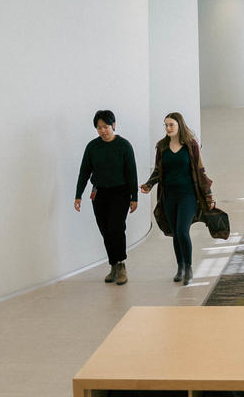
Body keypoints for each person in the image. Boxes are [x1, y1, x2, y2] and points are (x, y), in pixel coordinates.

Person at [139, 112, 214, 285]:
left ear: (179, 125)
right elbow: (158, 170)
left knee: (182, 230)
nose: (168, 128)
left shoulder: (191, 145)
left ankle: (188, 267)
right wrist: (149, 185)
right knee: (175, 234)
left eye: (171, 124)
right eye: (165, 125)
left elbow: (200, 170)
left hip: (187, 195)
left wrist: (208, 195)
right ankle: (180, 267)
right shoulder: (162, 146)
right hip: (168, 197)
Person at [74, 110, 139, 285]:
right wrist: (78, 195)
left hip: (121, 193)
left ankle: (121, 264)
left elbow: (131, 172)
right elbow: (84, 172)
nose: (103, 130)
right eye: (99, 127)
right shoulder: (92, 147)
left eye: (106, 126)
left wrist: (135, 197)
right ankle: (113, 265)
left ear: (114, 125)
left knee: (116, 227)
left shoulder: (124, 146)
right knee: (105, 230)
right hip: (99, 194)